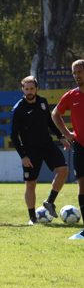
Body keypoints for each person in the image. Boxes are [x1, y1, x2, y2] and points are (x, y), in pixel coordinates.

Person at [10, 76, 70, 225]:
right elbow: (13, 136)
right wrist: (23, 156)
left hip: (47, 145)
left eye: (32, 88)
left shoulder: (43, 102)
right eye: (26, 89)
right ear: (22, 89)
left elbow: (49, 121)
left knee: (63, 170)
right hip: (30, 151)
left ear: (36, 89)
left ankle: (50, 201)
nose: (29, 91)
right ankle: (32, 218)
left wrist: (60, 137)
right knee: (31, 184)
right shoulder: (18, 109)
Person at [51, 59, 84, 239]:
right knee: (82, 186)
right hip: (80, 146)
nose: (77, 75)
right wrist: (66, 133)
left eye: (79, 72)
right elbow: (55, 113)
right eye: (74, 73)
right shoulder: (71, 95)